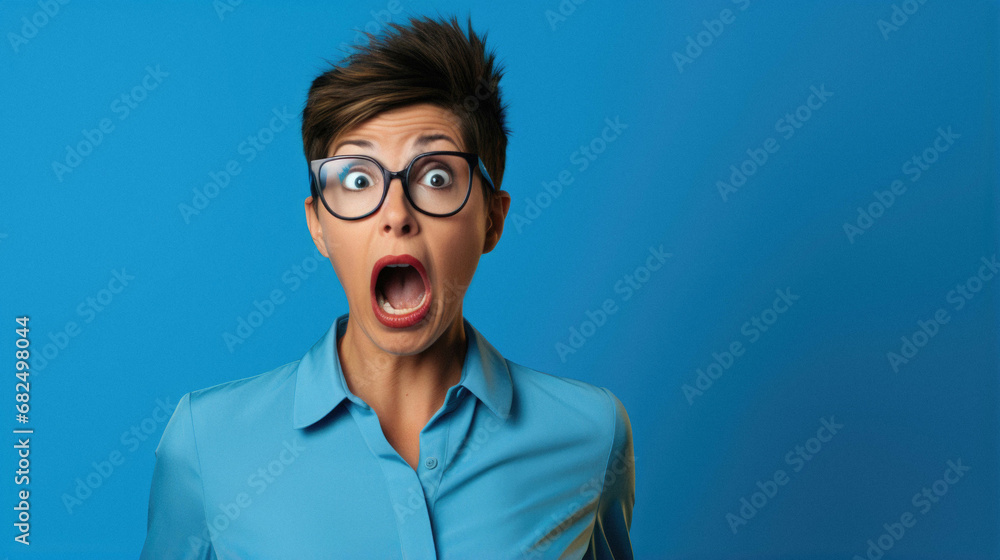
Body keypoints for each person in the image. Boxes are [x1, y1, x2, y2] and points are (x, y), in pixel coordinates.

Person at [140, 15, 634, 559]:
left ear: (492, 220)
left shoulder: (590, 435)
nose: (396, 214)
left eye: (437, 177)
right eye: (357, 180)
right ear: (319, 224)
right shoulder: (207, 443)